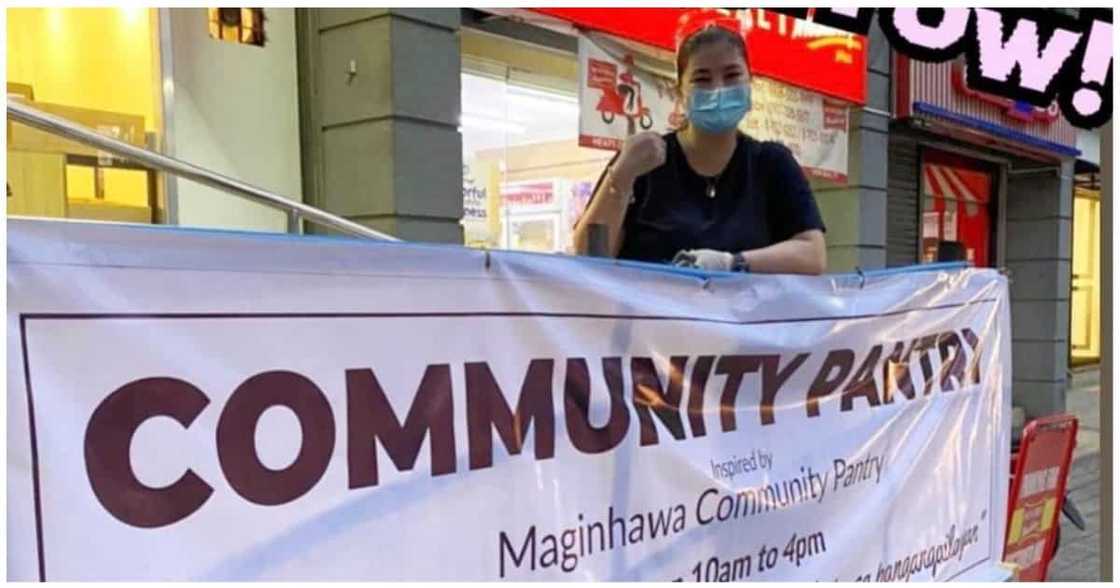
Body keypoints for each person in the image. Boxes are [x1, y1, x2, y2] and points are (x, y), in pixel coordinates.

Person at [572, 16, 827, 274]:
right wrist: (622, 175)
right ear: (680, 91)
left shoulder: (772, 163)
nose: (718, 89)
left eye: (732, 75)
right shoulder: (642, 160)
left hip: (740, 314)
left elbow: (812, 254)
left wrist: (732, 262)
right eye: (702, 79)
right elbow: (589, 256)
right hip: (653, 314)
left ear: (750, 84)